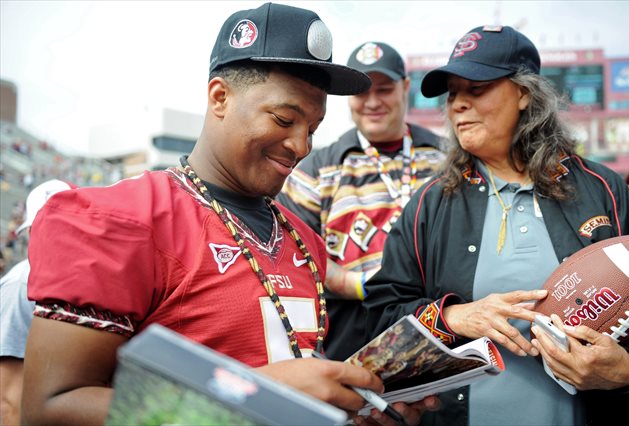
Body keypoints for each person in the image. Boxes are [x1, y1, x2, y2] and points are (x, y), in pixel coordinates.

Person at [22, 4, 438, 425]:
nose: (301, 146)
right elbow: (51, 408)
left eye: (312, 128)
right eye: (284, 118)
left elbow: (299, 375)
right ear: (220, 97)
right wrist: (254, 392)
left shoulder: (303, 239)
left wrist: (350, 411)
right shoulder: (119, 219)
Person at [362, 25, 629, 426]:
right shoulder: (431, 202)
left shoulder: (603, 189)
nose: (458, 104)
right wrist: (453, 318)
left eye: (476, 89)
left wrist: (628, 373)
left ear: (525, 94)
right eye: (453, 93)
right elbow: (380, 317)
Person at [277, 41, 445, 361]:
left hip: (436, 328)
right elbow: (295, 254)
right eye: (362, 92)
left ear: (405, 88)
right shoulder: (318, 167)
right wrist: (366, 287)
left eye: (384, 89)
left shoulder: (445, 157)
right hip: (351, 339)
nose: (372, 102)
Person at [0, 179, 74, 425]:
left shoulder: (81, 281)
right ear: (31, 232)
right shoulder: (21, 284)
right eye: (46, 227)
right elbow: (8, 398)